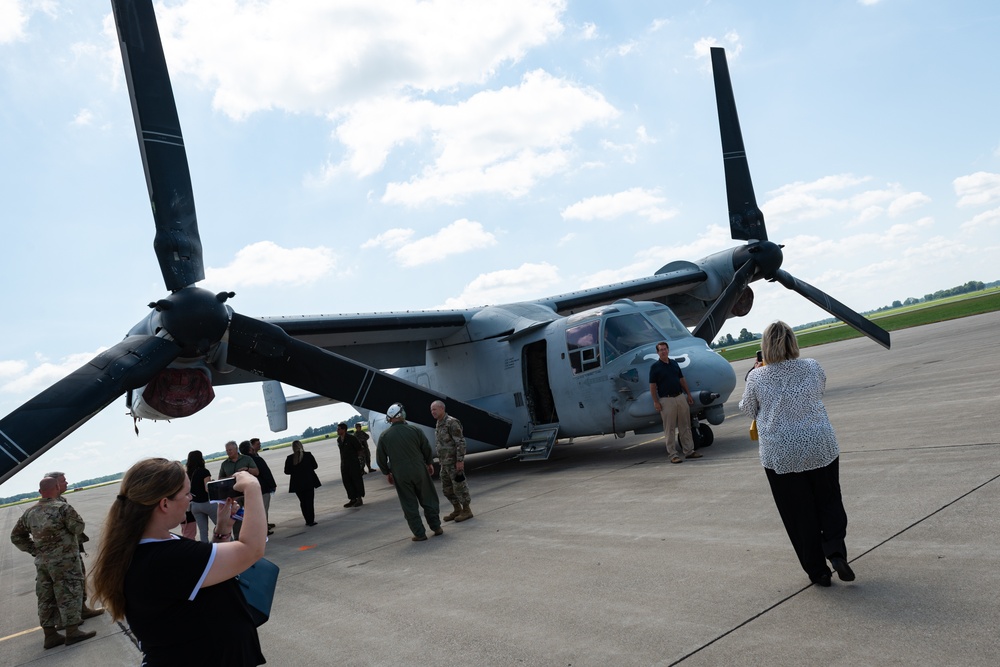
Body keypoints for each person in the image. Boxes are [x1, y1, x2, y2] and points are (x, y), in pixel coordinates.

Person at [89, 459, 266, 665]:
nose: (191, 499)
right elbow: (252, 549)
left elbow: (196, 573)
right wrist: (253, 487)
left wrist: (222, 531)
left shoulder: (154, 546)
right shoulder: (164, 557)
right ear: (164, 503)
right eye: (187, 494)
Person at [739, 321, 855, 588]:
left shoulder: (757, 377)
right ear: (793, 342)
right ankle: (836, 551)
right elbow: (819, 390)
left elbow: (748, 409)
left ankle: (818, 572)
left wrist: (757, 375)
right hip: (819, 444)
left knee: (798, 512)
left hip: (781, 453)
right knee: (829, 500)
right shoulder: (813, 366)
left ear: (765, 346)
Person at [10, 477, 97, 649]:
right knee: (70, 591)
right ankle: (72, 632)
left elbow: (16, 537)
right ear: (57, 487)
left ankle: (50, 635)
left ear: (40, 491)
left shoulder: (29, 512)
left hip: (43, 563)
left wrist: (35, 549)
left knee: (46, 597)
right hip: (65, 561)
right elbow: (77, 528)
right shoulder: (62, 508)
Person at [375, 403, 443, 541]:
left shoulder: (384, 436)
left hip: (400, 474)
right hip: (419, 469)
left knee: (409, 504)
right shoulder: (415, 430)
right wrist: (429, 463)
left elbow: (380, 458)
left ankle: (419, 533)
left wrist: (387, 472)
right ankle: (436, 527)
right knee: (428, 498)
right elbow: (426, 448)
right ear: (400, 415)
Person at [43, 471, 104, 624]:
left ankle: (81, 609)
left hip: (71, 549)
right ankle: (67, 619)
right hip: (61, 554)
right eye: (63, 481)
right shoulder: (51, 505)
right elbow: (76, 527)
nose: (67, 483)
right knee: (65, 585)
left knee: (78, 579)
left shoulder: (61, 500)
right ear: (55, 484)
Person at [648, 341, 702, 464]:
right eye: (661, 350)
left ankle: (689, 451)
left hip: (679, 397)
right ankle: (673, 454)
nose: (663, 351)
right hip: (666, 400)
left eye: (665, 349)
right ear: (657, 352)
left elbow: (681, 380)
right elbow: (652, 386)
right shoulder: (655, 367)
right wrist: (656, 402)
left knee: (685, 426)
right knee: (670, 428)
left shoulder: (674, 364)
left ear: (668, 350)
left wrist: (688, 394)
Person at [430, 400, 473, 522]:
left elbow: (460, 442)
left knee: (459, 487)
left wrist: (460, 460)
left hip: (454, 463)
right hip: (444, 463)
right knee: (447, 489)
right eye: (431, 410)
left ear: (442, 409)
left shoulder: (451, 422)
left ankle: (466, 510)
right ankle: (457, 509)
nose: (432, 412)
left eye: (435, 409)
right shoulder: (439, 423)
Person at [221, 441, 258, 539]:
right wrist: (230, 477)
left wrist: (247, 469)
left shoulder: (247, 459)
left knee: (252, 515)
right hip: (234, 496)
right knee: (236, 518)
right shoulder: (225, 464)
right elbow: (220, 479)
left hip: (247, 493)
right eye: (227, 450)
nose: (228, 452)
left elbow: (256, 472)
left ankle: (255, 536)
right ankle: (239, 538)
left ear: (236, 449)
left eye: (230, 450)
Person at [284, 440, 320, 526]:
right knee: (309, 502)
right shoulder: (308, 455)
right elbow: (315, 466)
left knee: (303, 502)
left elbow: (286, 471)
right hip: (309, 482)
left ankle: (307, 520)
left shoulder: (290, 458)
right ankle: (311, 520)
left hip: (297, 484)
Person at [245, 439, 277, 535]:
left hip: (250, 489)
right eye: (257, 444)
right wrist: (272, 485)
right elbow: (266, 473)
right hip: (262, 488)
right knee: (263, 509)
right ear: (251, 449)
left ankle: (263, 526)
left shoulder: (243, 461)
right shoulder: (256, 459)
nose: (260, 446)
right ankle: (264, 529)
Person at [186, 451, 216, 542]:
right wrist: (213, 484)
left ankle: (205, 552)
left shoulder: (187, 474)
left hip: (195, 505)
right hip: (207, 503)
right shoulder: (204, 472)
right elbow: (207, 489)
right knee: (221, 526)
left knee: (203, 532)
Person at [336, 423, 366, 508]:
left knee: (356, 481)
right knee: (347, 481)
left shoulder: (352, 438)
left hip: (353, 464)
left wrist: (361, 463)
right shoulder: (339, 440)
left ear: (343, 430)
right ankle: (352, 499)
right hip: (344, 464)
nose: (337, 431)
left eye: (338, 429)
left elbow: (360, 450)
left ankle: (359, 498)